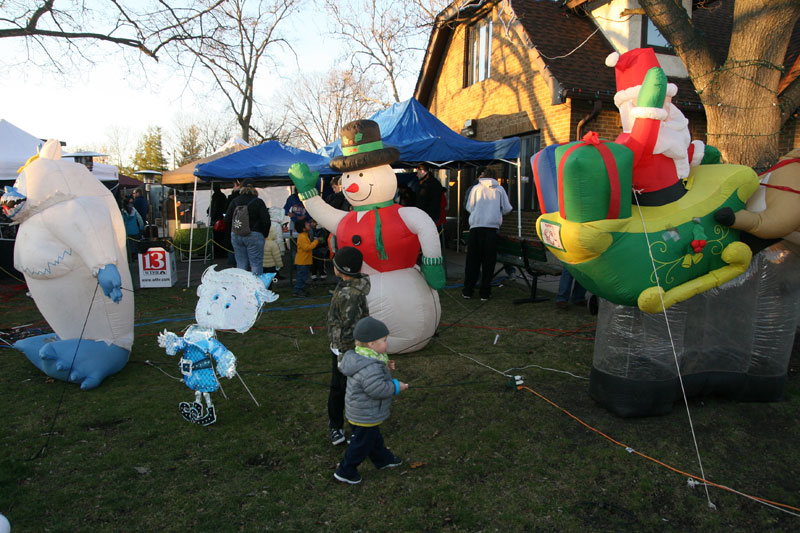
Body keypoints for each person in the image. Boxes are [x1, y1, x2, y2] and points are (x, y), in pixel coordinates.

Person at [333, 316, 407, 484]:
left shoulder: (362, 358)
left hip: (359, 411)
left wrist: (386, 367)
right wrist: (397, 386)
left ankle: (383, 459)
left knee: (372, 438)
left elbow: (373, 372)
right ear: (372, 344)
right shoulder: (370, 366)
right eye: (384, 340)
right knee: (361, 444)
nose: (387, 343)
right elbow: (377, 389)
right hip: (366, 413)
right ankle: (345, 471)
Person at [326, 247, 370, 446]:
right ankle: (345, 426)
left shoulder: (348, 294)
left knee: (343, 389)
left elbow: (349, 324)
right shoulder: (348, 286)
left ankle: (342, 427)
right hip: (350, 348)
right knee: (345, 388)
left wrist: (343, 350)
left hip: (347, 350)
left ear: (341, 269)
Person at [462, 167, 512, 301]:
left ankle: (468, 290)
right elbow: (507, 209)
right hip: (491, 229)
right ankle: (485, 292)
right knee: (488, 263)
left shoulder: (476, 188)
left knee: (472, 261)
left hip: (476, 227)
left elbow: (469, 207)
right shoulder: (499, 189)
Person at [224, 178, 270, 275]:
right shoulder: (258, 202)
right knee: (256, 264)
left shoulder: (235, 201)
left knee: (241, 264)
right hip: (254, 234)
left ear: (241, 187)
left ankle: (242, 288)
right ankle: (256, 288)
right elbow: (266, 221)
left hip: (236, 234)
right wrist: (264, 234)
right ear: (254, 188)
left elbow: (227, 219)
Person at [293, 219, 321, 297]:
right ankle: (297, 291)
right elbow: (307, 248)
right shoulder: (302, 237)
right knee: (301, 277)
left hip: (305, 261)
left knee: (303, 277)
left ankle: (301, 289)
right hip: (302, 261)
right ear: (303, 228)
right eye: (306, 224)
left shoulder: (305, 235)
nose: (308, 224)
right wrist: (316, 241)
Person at [121, 196, 144, 262]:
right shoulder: (134, 210)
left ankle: (130, 258)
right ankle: (135, 257)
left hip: (127, 231)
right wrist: (141, 227)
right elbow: (140, 219)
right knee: (135, 244)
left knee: (128, 246)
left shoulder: (122, 211)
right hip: (135, 230)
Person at [209, 184, 227, 258]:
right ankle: (222, 253)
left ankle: (218, 254)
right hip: (221, 220)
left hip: (217, 221)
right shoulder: (222, 196)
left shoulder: (215, 197)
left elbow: (213, 209)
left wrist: (212, 216)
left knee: (217, 238)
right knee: (222, 238)